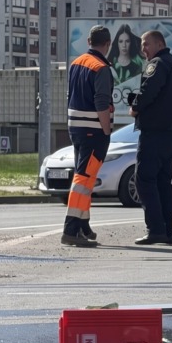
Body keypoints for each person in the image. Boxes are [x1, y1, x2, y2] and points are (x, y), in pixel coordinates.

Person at [129, 30, 172, 245]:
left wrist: (135, 107)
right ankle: (166, 231)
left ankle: (155, 229)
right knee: (163, 182)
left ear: (159, 43)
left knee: (144, 179)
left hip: (155, 132)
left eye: (146, 44)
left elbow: (149, 90)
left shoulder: (157, 64)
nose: (143, 49)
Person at [61, 25, 114, 248]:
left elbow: (69, 95)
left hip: (76, 128)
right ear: (108, 44)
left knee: (85, 178)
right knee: (83, 180)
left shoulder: (76, 63)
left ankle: (83, 226)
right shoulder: (101, 67)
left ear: (89, 42)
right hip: (94, 130)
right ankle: (71, 229)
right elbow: (102, 103)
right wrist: (107, 130)